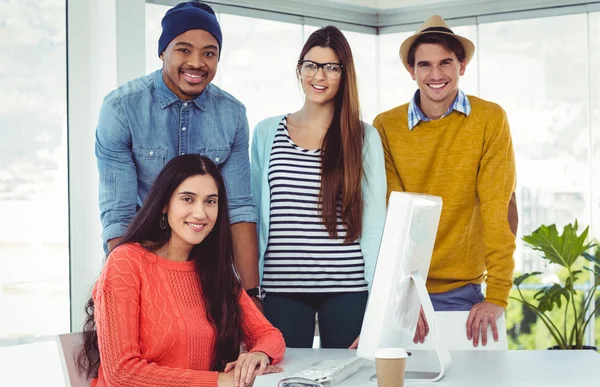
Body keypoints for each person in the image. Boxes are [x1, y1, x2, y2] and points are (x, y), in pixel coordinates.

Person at [95, 1, 263, 308]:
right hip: (142, 259)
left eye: (209, 53)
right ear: (163, 51)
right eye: (184, 50)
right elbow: (119, 217)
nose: (197, 62)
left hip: (208, 265)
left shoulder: (233, 115)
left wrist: (252, 296)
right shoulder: (122, 109)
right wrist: (128, 292)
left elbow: (239, 210)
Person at [77, 154, 286, 387]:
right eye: (188, 199)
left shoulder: (214, 271)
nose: (200, 213)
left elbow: (270, 335)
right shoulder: (126, 262)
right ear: (165, 204)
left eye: (210, 201)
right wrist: (218, 381)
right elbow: (121, 373)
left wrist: (258, 355)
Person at [373, 15, 518, 347]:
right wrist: (402, 295)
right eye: (424, 65)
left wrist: (497, 294)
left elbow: (498, 208)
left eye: (445, 63)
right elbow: (392, 216)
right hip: (406, 291)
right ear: (411, 70)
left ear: (462, 65)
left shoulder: (490, 119)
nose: (435, 74)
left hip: (465, 293)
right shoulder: (385, 127)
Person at [251, 26, 387, 349]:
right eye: (311, 65)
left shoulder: (364, 138)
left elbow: (375, 225)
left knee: (348, 386)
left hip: (347, 288)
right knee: (282, 384)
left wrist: (379, 308)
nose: (319, 75)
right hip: (281, 290)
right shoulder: (266, 133)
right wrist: (251, 290)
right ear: (299, 69)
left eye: (331, 67)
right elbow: (254, 216)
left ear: (344, 74)